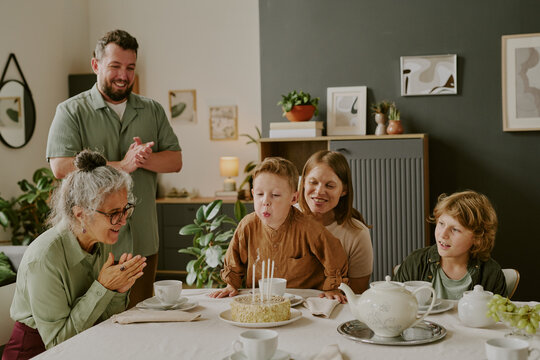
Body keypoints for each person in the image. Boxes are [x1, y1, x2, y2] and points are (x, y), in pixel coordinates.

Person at [46, 29, 182, 307]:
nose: (124, 75)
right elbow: (60, 167)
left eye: (130, 67)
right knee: (97, 324)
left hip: (143, 241)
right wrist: (122, 165)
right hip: (93, 245)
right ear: (95, 65)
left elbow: (175, 160)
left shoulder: (153, 110)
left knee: (143, 317)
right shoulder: (71, 111)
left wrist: (143, 160)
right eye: (115, 66)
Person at [3, 150, 147, 359]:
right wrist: (103, 287)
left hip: (84, 345)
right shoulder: (44, 259)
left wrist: (117, 290)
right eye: (113, 213)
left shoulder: (99, 239)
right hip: (37, 352)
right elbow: (58, 343)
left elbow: (106, 318)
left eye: (125, 210)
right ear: (81, 214)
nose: (123, 221)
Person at [210, 157, 349, 303]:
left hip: (302, 302)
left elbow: (334, 254)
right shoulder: (247, 226)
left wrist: (332, 287)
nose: (265, 201)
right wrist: (231, 284)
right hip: (261, 301)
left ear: (294, 198)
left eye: (275, 195)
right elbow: (234, 258)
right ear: (252, 194)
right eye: (259, 194)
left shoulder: (309, 228)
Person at [393, 190, 507, 299]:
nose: (443, 234)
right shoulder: (415, 262)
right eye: (441, 223)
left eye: (455, 229)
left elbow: (498, 317)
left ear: (477, 238)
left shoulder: (491, 273)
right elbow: (396, 307)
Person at [298, 150, 373, 294]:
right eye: (313, 182)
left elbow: (357, 293)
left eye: (330, 186)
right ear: (303, 183)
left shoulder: (357, 233)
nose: (319, 191)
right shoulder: (285, 219)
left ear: (343, 190)